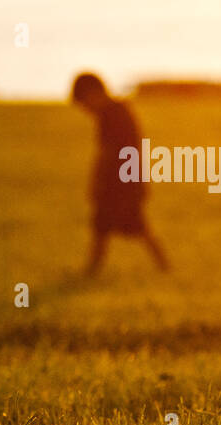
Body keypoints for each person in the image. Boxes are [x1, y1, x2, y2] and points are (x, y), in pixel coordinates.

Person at [71, 73, 170, 276]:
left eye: (84, 104)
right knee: (103, 226)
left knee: (135, 225)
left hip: (120, 182)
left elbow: (109, 152)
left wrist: (98, 179)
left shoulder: (112, 115)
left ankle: (164, 265)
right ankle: (94, 268)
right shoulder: (116, 111)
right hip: (126, 180)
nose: (86, 110)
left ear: (93, 94)